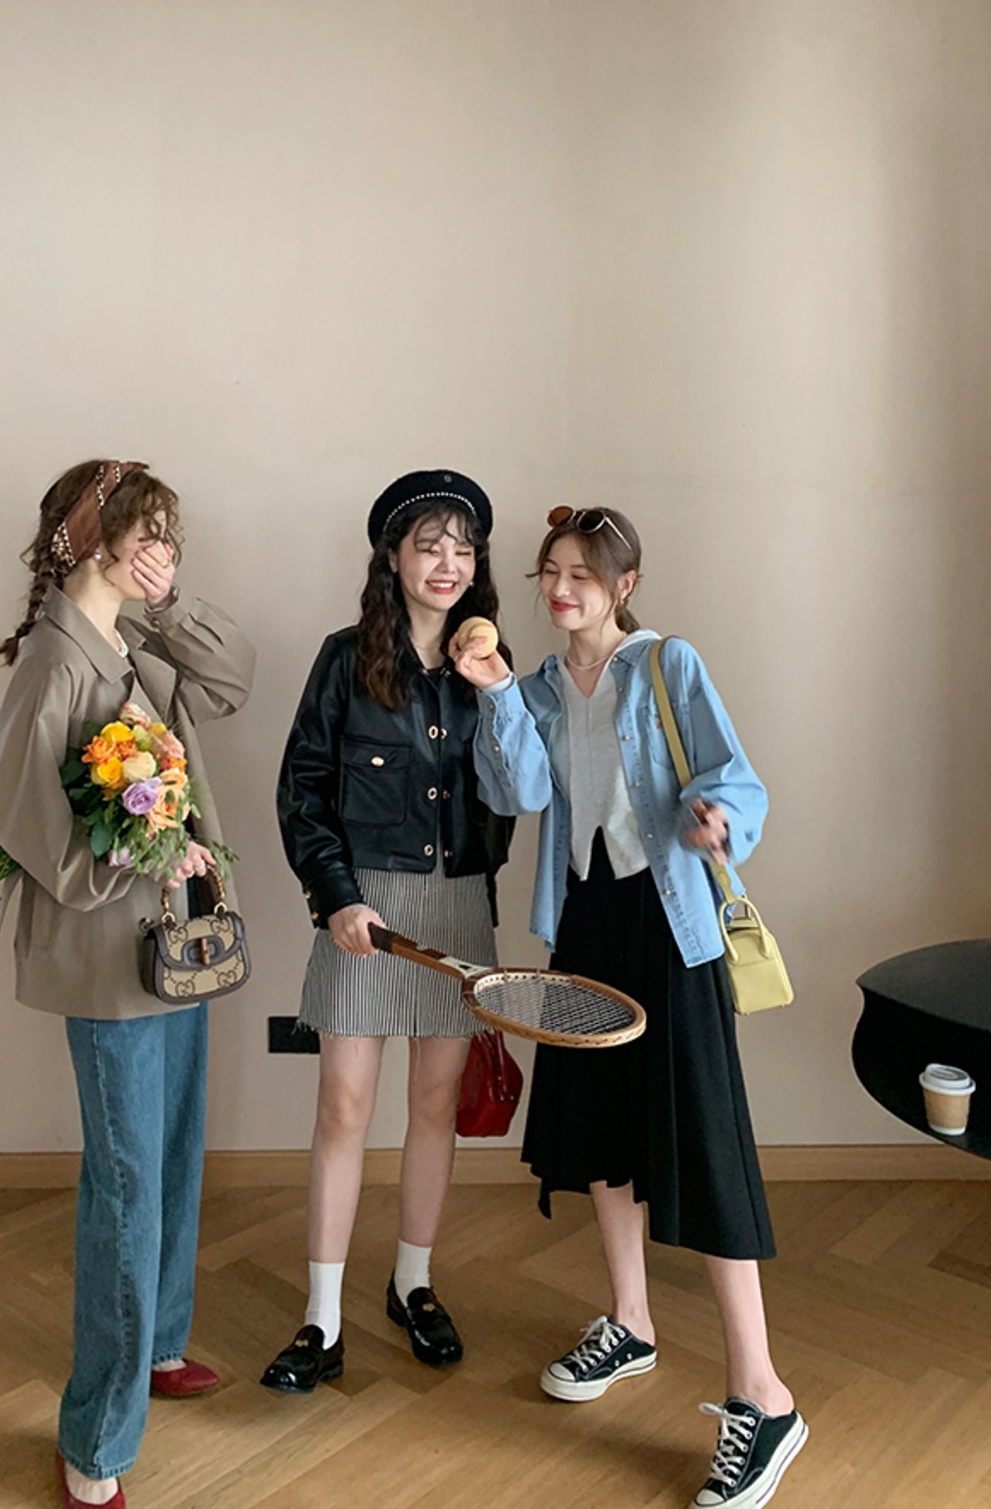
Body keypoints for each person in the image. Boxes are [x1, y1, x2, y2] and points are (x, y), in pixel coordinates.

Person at [467, 504, 807, 1509]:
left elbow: (736, 777)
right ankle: (630, 1323)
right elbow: (520, 794)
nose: (560, 588)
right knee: (601, 1134)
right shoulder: (535, 684)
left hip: (670, 926)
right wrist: (494, 693)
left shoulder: (667, 665)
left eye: (582, 573)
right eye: (549, 571)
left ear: (623, 585)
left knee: (702, 1143)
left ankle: (764, 1396)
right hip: (584, 920)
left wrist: (718, 818)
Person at [0, 460, 255, 1509]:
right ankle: (95, 1442)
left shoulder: (136, 637)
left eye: (171, 538)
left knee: (173, 1155)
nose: (162, 552)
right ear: (88, 537)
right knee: (127, 1190)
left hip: (173, 948)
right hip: (108, 967)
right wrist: (150, 852)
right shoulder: (54, 660)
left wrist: (169, 602)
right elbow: (24, 818)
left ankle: (157, 1346)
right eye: (147, 534)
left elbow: (232, 679)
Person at [262, 469, 546, 1393]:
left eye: (464, 548)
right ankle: (321, 1317)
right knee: (343, 1108)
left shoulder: (490, 671)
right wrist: (336, 895)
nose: (448, 563)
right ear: (392, 556)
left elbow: (518, 795)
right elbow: (303, 788)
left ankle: (413, 1283)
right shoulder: (345, 659)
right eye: (430, 545)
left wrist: (497, 692)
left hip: (458, 903)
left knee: (433, 1104)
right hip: (365, 910)